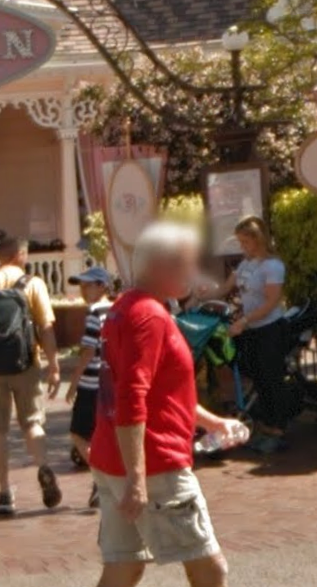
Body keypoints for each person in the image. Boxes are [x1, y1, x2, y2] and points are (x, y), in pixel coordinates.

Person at [92, 221, 233, 587]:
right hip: (155, 464)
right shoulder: (150, 316)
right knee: (210, 569)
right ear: (162, 266)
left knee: (124, 567)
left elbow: (156, 392)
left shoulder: (123, 310)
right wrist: (137, 478)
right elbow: (132, 395)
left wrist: (210, 421)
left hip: (113, 459)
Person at [0, 231, 63, 516]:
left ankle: (5, 492)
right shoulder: (33, 284)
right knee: (32, 423)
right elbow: (46, 328)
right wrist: (53, 364)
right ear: (21, 256)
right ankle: (42, 466)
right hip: (25, 363)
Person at [221, 216, 291, 453]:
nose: (243, 247)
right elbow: (226, 287)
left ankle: (278, 430)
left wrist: (245, 320)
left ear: (257, 240)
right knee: (259, 377)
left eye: (246, 242)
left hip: (269, 328)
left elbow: (272, 301)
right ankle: (267, 426)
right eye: (240, 243)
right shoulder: (246, 264)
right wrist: (201, 293)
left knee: (272, 378)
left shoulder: (272, 266)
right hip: (252, 329)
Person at [64, 265, 113, 508]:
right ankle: (103, 480)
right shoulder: (114, 310)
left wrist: (73, 382)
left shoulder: (94, 312)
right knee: (102, 433)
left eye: (88, 285)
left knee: (78, 433)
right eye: (82, 285)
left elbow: (88, 350)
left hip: (91, 382)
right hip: (109, 381)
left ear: (102, 286)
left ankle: (103, 479)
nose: (83, 290)